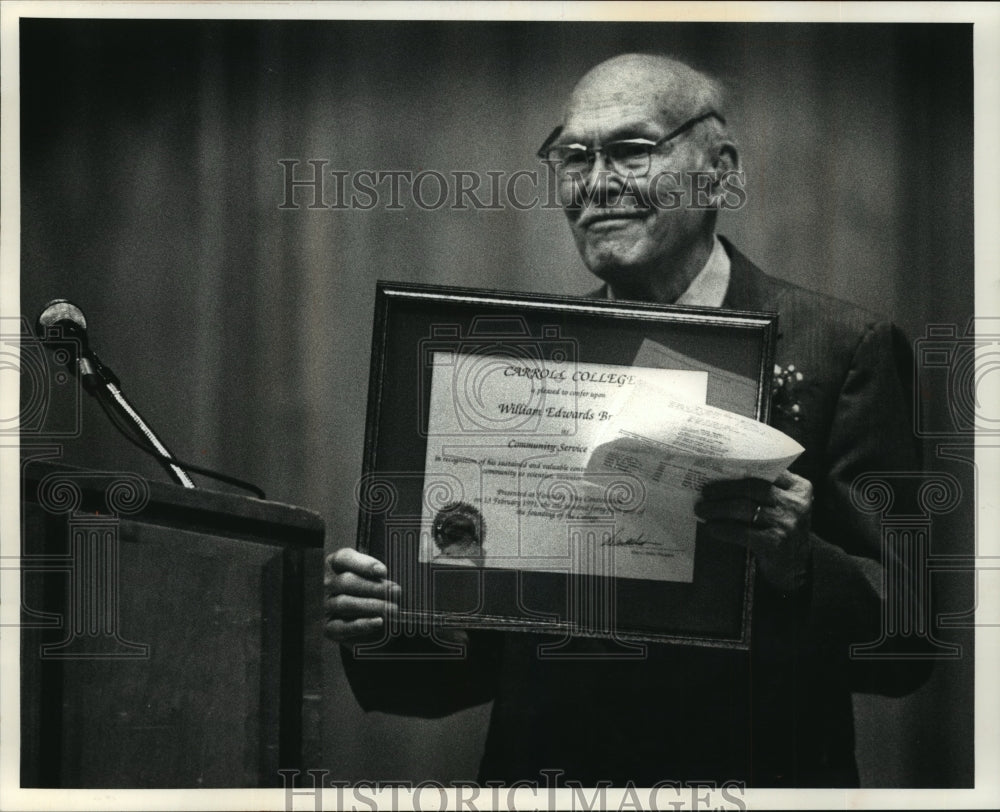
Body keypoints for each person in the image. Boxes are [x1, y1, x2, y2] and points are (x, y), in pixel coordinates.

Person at [324, 53, 929, 786]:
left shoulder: (842, 348)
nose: (597, 182)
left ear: (720, 169)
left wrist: (798, 564)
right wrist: (390, 624)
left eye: (633, 150)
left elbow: (905, 646)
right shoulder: (529, 367)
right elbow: (468, 670)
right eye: (574, 156)